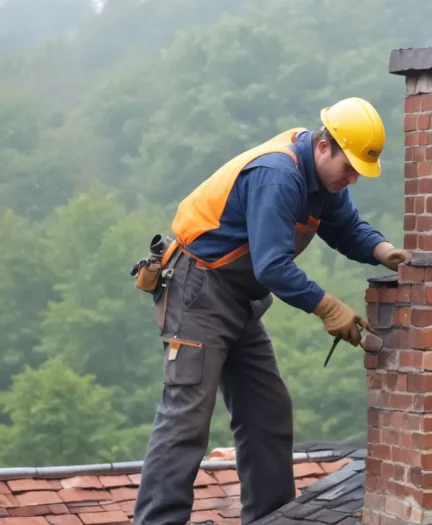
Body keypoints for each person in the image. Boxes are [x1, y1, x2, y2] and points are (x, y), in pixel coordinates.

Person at [131, 97, 411, 525]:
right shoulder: (277, 176)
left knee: (268, 409)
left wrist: (384, 250)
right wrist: (329, 308)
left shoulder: (324, 183)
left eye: (360, 170)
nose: (353, 178)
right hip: (198, 292)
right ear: (324, 147)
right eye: (349, 166)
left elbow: (349, 228)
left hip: (239, 300)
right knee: (187, 416)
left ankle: (273, 518)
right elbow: (273, 265)